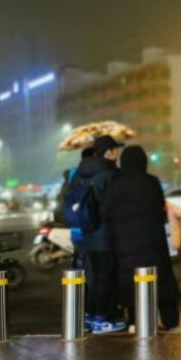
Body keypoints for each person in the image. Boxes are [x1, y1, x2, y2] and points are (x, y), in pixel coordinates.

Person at [102, 145, 180, 331]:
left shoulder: (116, 184)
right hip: (154, 241)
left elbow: (104, 212)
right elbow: (160, 208)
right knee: (161, 278)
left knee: (131, 280)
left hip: (125, 243)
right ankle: (170, 320)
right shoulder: (152, 182)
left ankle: (136, 321)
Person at [78, 135, 126, 334]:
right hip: (107, 234)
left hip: (89, 234)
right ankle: (102, 319)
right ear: (109, 151)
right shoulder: (111, 173)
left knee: (94, 277)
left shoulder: (83, 172)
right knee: (107, 277)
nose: (117, 152)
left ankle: (90, 317)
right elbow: (116, 204)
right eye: (115, 149)